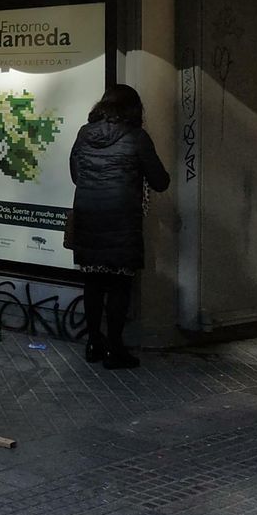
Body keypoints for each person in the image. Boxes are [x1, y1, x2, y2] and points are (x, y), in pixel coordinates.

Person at [68, 83, 169, 370]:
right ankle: (115, 349)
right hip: (121, 220)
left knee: (92, 282)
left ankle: (93, 343)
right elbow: (160, 181)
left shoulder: (84, 133)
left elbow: (75, 173)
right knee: (119, 285)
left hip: (88, 216)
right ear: (134, 109)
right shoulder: (137, 137)